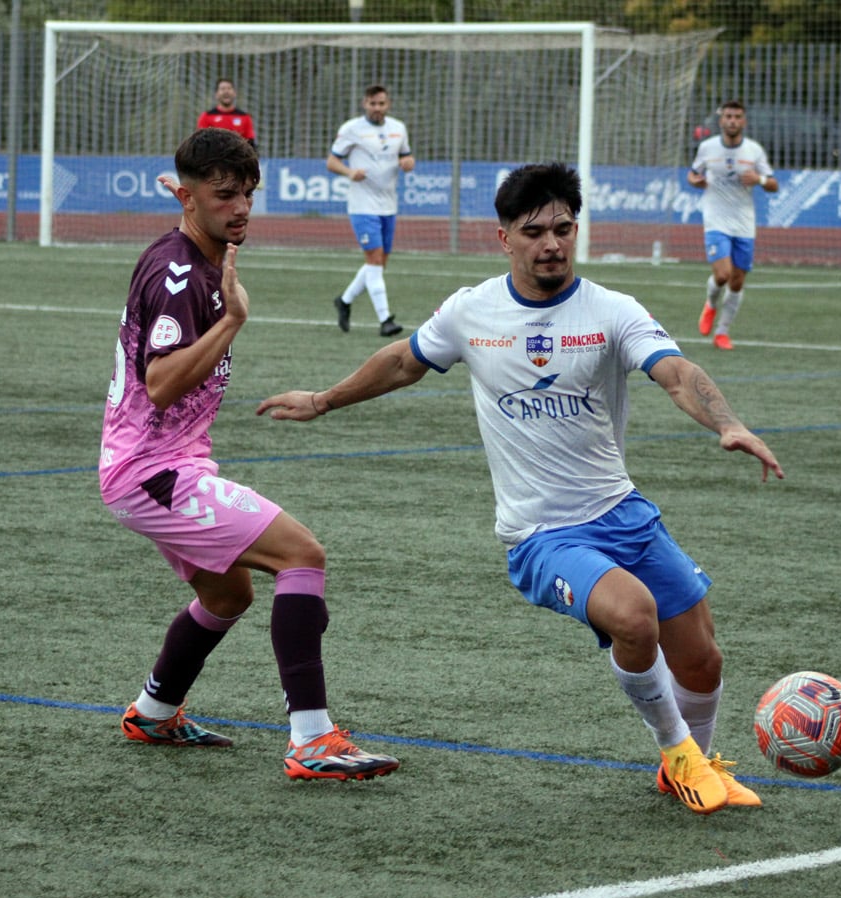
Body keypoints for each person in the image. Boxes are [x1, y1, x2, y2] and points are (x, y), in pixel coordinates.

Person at [258, 163, 785, 815]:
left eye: (563, 228)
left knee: (702, 659)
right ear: (503, 237)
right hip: (542, 535)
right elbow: (402, 361)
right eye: (534, 232)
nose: (551, 244)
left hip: (623, 512)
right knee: (633, 615)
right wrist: (322, 400)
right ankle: (679, 755)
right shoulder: (472, 310)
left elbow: (675, 372)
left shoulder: (612, 310)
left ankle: (687, 766)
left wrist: (728, 423)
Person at [100, 127, 398, 781]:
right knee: (302, 554)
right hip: (151, 471)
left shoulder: (200, 251)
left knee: (228, 593)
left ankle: (153, 711)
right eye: (224, 196)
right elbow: (160, 383)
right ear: (188, 198)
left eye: (247, 194)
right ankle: (311, 740)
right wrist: (234, 320)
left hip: (163, 464)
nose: (240, 209)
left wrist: (200, 208)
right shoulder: (179, 273)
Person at [687, 100, 777, 351]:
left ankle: (722, 333)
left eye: (737, 117)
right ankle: (710, 304)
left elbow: (773, 184)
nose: (732, 121)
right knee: (722, 275)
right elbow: (692, 173)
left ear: (744, 121)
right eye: (728, 116)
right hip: (715, 219)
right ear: (721, 120)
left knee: (737, 282)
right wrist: (695, 181)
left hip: (744, 223)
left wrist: (759, 179)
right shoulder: (707, 147)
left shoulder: (754, 151)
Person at [326, 85, 414, 338]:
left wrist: (408, 163)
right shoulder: (351, 129)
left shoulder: (398, 128)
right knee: (374, 260)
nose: (377, 108)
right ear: (365, 103)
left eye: (381, 103)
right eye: (373, 103)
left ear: (388, 104)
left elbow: (407, 158)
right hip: (362, 205)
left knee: (378, 264)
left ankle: (344, 301)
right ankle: (385, 320)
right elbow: (332, 161)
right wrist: (349, 172)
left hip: (389, 205)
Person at [196, 78, 256, 150]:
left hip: (237, 155)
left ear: (235, 93)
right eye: (222, 89)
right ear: (216, 94)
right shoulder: (206, 116)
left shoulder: (245, 117)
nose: (226, 92)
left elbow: (250, 143)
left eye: (229, 88)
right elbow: (201, 142)